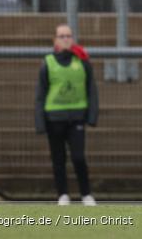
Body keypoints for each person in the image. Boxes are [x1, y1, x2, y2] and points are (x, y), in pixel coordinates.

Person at [34, 24, 99, 206]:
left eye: (68, 36)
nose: (65, 39)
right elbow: (41, 93)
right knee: (58, 158)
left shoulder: (82, 62)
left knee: (78, 157)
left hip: (76, 117)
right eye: (61, 36)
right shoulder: (48, 62)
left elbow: (91, 90)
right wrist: (40, 122)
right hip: (54, 118)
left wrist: (92, 115)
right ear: (55, 40)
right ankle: (63, 194)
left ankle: (86, 194)